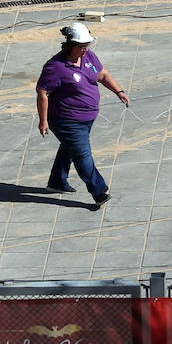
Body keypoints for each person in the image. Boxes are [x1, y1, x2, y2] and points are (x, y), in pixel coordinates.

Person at [37, 22, 130, 209]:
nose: (86, 49)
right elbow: (42, 93)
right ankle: (99, 191)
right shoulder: (55, 67)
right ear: (71, 45)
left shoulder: (88, 57)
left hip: (87, 118)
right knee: (83, 156)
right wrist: (44, 121)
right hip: (67, 120)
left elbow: (102, 75)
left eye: (87, 45)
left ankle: (57, 182)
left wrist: (119, 91)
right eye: (82, 46)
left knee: (70, 148)